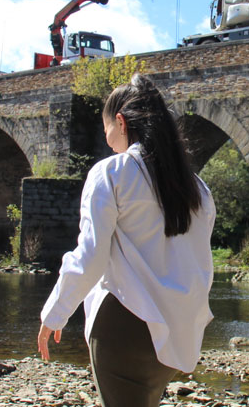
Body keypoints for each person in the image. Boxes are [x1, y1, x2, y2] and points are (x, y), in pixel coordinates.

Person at [37, 74, 215, 407]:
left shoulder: (112, 172)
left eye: (107, 132)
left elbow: (90, 258)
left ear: (120, 121)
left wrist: (54, 314)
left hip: (124, 326)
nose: (109, 142)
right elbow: (200, 264)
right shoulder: (198, 188)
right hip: (176, 332)